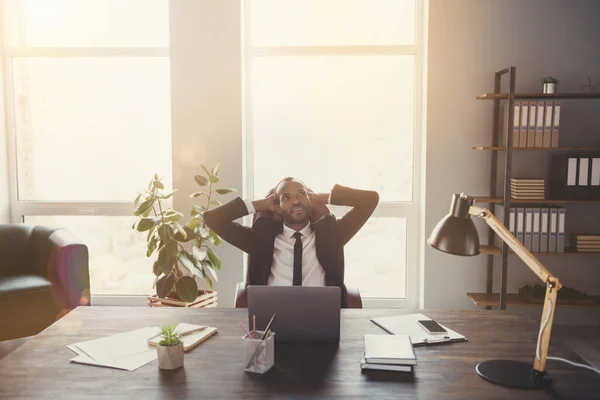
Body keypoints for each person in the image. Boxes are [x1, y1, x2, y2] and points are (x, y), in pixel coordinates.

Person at [203, 177, 379, 307]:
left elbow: (370, 199)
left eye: (301, 194)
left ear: (310, 200)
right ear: (277, 207)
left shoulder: (333, 234)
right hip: (271, 322)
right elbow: (212, 218)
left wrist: (325, 198)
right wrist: (259, 205)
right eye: (286, 197)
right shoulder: (259, 239)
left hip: (321, 318)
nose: (296, 200)